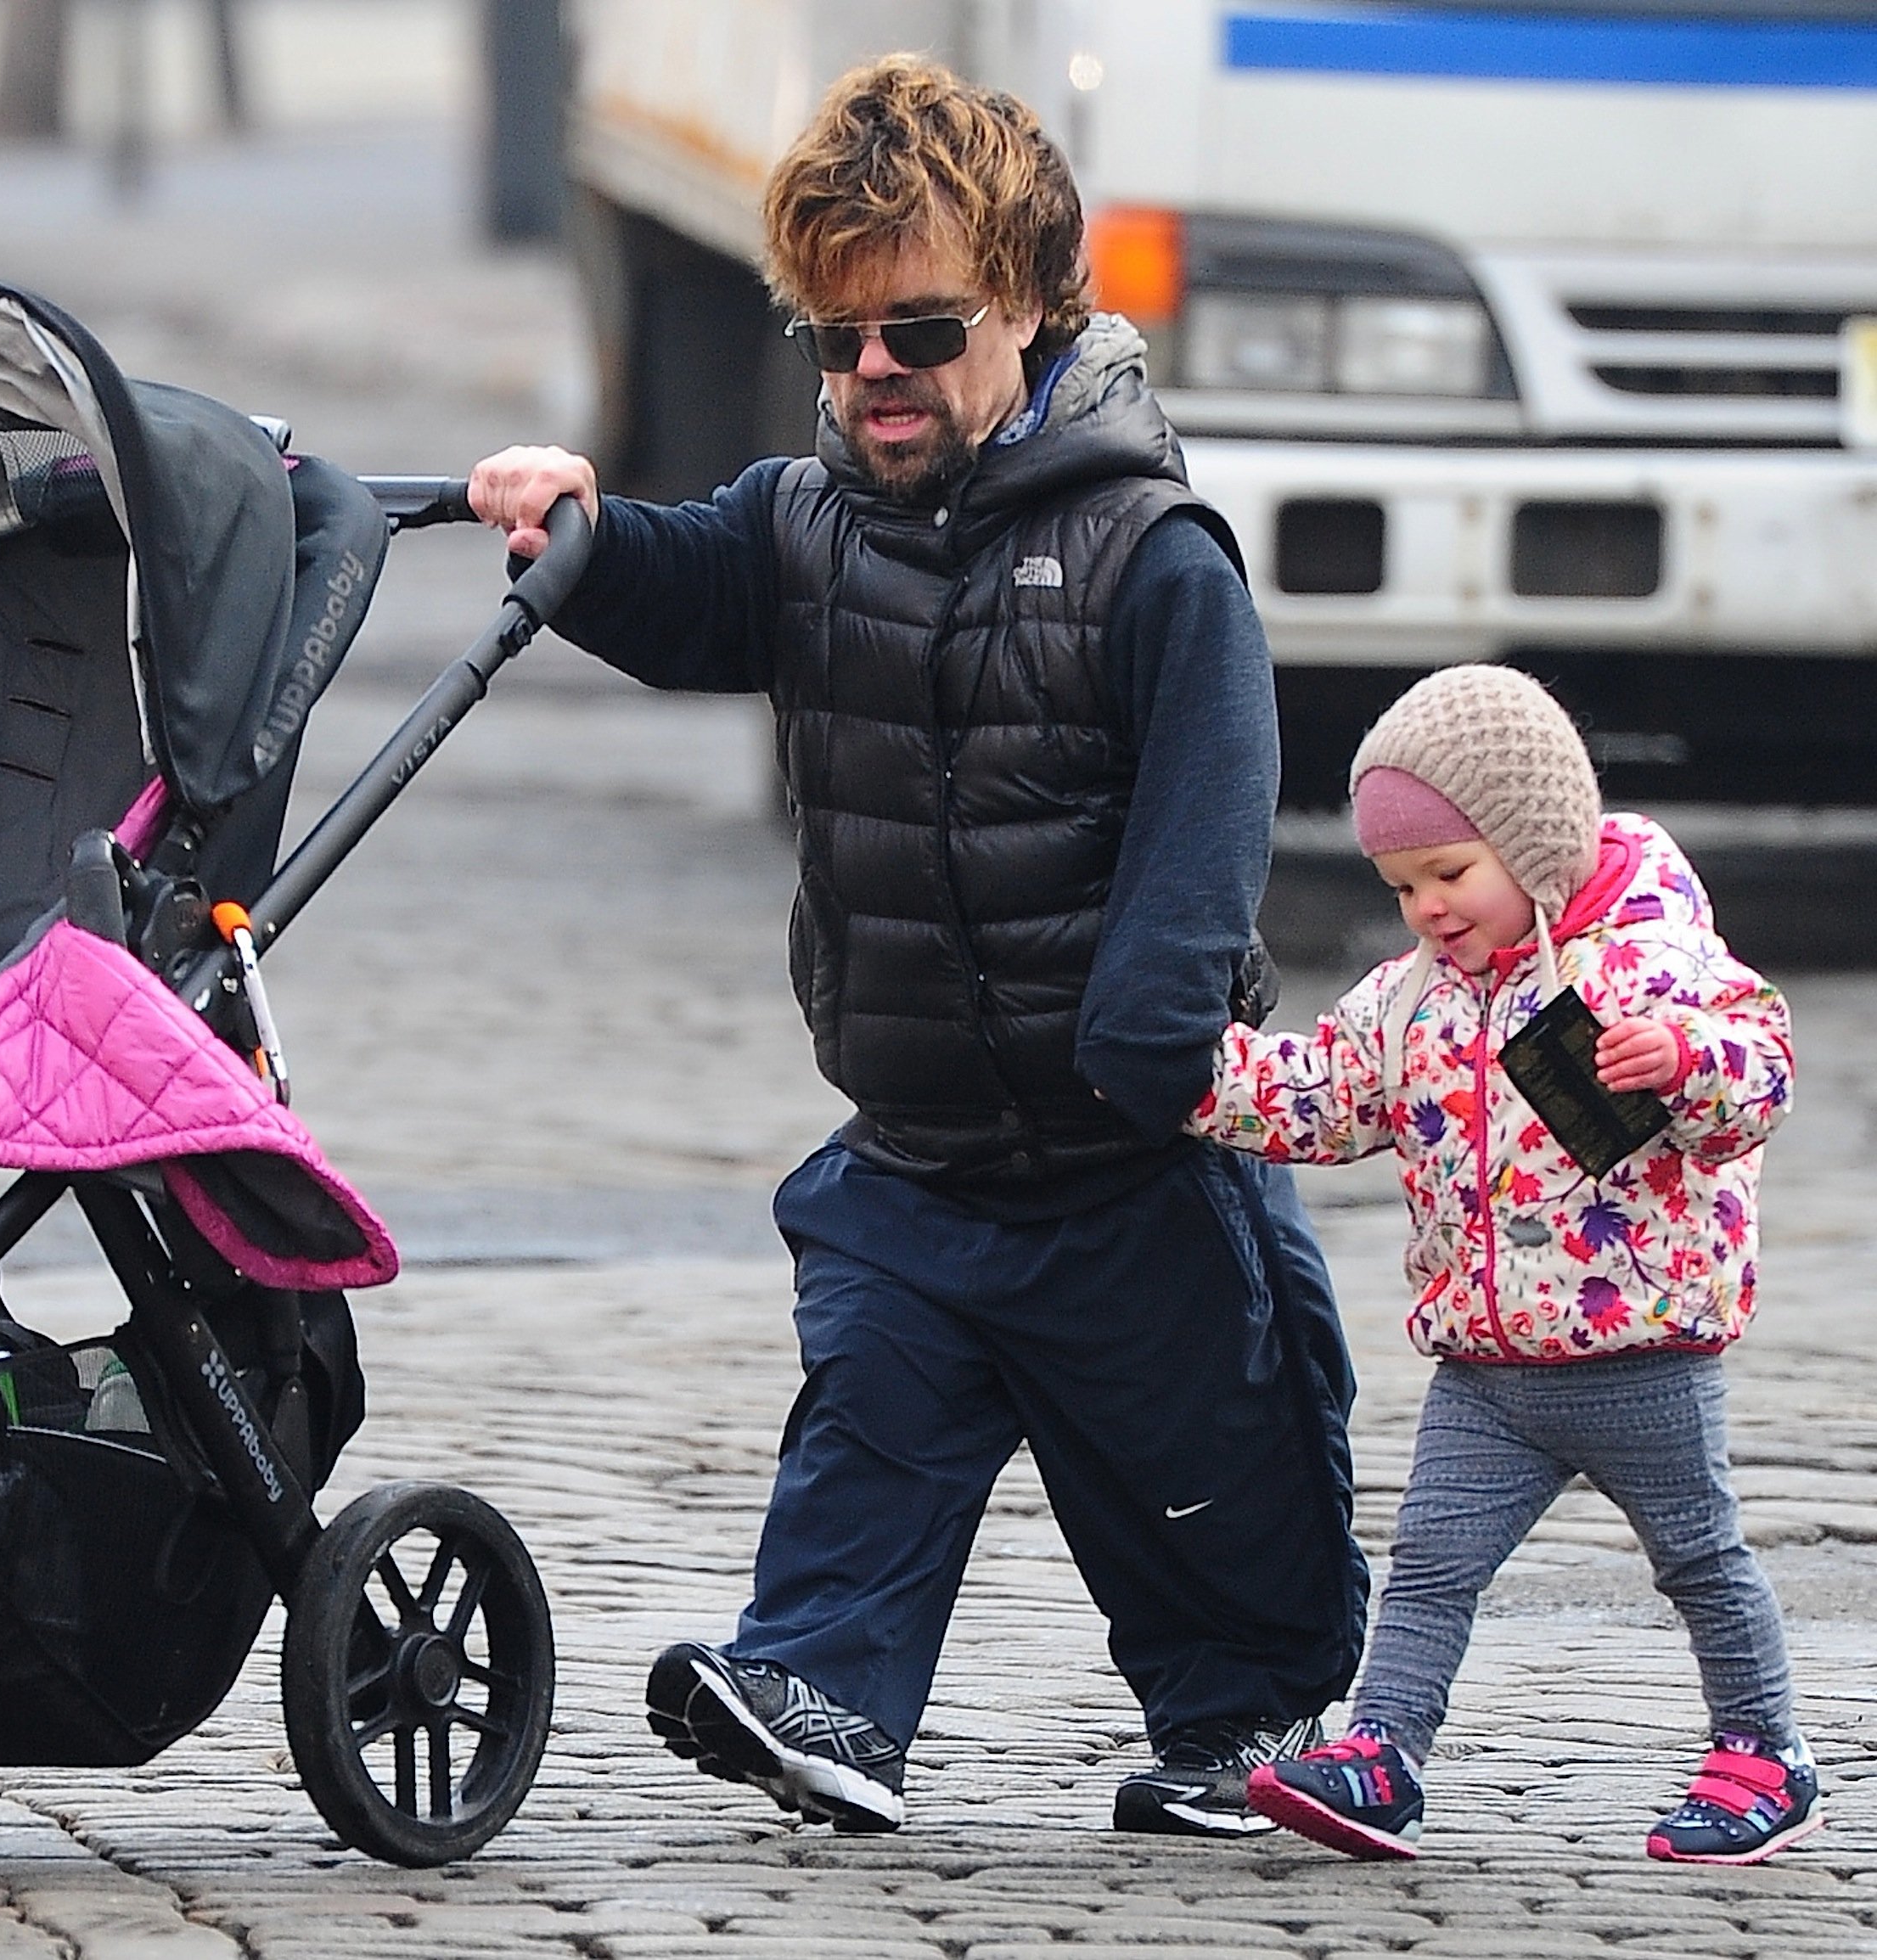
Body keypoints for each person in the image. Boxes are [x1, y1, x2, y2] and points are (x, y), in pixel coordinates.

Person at [468, 53, 1367, 1836]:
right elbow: (672, 584)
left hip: (1135, 1151)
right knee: (872, 1417)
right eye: (835, 337)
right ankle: (825, 1694)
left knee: (1208, 1492)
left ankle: (1248, 1723)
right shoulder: (805, 528)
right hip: (923, 1150)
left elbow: (1214, 807)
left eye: (922, 330)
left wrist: (1161, 1026)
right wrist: (569, 525)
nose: (875, 371)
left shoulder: (1148, 555)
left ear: (1028, 303)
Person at [1194, 665, 1813, 1864]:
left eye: (1449, 873)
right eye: (1402, 885)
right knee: (1430, 1563)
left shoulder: (1645, 962)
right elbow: (1321, 1093)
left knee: (1699, 1557)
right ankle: (1384, 1751)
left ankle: (1766, 1751)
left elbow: (1759, 1071)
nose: (1426, 906)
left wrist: (1680, 1060)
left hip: (1641, 1352)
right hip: (1484, 1365)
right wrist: (1189, 1071)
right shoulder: (1415, 998)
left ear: (1532, 845)